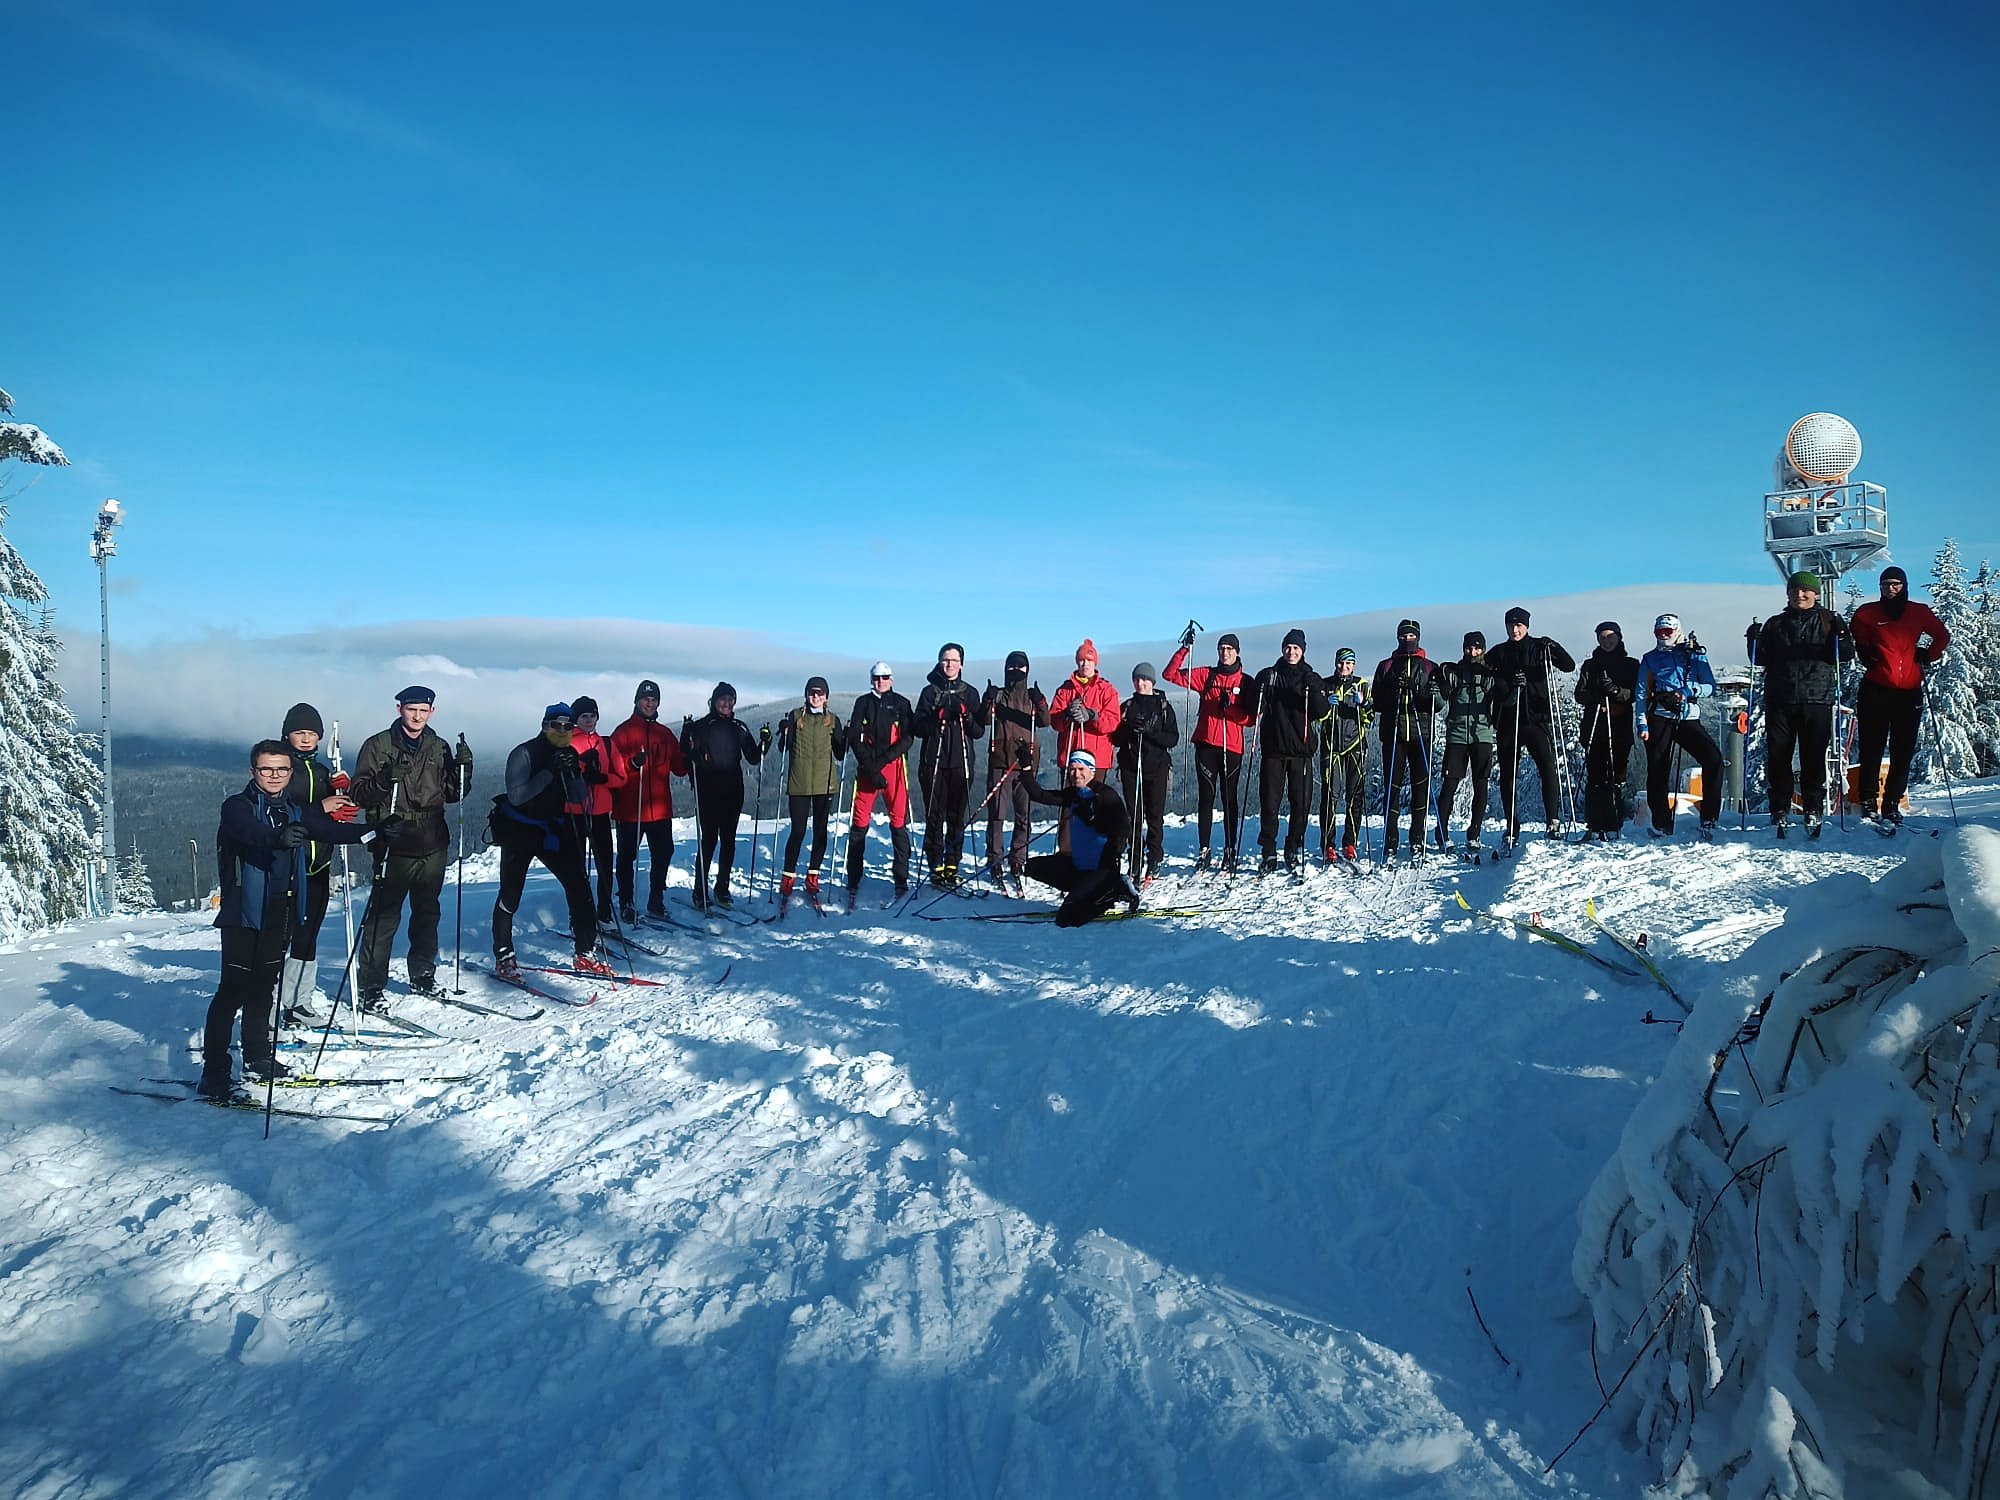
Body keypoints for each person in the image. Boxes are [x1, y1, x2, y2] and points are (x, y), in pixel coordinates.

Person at [203, 741, 390, 1097]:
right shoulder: (237, 807)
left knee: (263, 988)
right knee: (233, 990)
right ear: (253, 772)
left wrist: (375, 831)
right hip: (243, 913)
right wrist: (278, 837)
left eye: (281, 769)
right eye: (266, 769)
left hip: (279, 910)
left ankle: (258, 1056)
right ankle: (214, 1072)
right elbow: (250, 832)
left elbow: (331, 831)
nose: (274, 776)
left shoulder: (292, 809)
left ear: (290, 773)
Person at [351, 686, 473, 1005]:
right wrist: (385, 779)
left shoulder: (438, 746)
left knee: (427, 913)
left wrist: (464, 769)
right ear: (400, 709)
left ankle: (422, 975)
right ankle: (371, 986)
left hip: (432, 839)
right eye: (411, 709)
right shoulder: (378, 746)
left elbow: (453, 794)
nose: (417, 716)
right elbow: (359, 794)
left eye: (423, 710)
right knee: (384, 916)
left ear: (432, 711)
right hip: (394, 840)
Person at [490, 704, 616, 981]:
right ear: (545, 725)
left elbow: (579, 797)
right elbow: (517, 797)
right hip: (520, 831)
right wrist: (549, 771)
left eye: (568, 726)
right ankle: (504, 956)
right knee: (510, 894)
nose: (562, 731)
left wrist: (578, 772)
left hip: (554, 829)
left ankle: (585, 953)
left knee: (580, 888)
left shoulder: (568, 753)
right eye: (556, 725)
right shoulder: (524, 753)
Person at [1748, 571, 1853, 839]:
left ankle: (1813, 808)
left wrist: (1842, 637)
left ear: (1816, 593)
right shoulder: (1776, 623)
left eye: (1805, 590)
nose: (1800, 595)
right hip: (1780, 698)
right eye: (1795, 590)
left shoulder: (1828, 620)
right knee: (1778, 756)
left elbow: (1845, 656)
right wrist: (1753, 640)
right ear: (1788, 594)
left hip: (1816, 698)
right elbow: (1760, 659)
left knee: (1813, 757)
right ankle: (1779, 808)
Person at [275, 702, 360, 1025]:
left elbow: (333, 813)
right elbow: (283, 812)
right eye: (300, 732)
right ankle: (268, 1005)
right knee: (280, 938)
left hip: (318, 865)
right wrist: (322, 806)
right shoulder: (281, 769)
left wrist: (344, 796)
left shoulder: (323, 771)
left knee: (308, 935)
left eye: (312, 733)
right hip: (287, 866)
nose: (306, 738)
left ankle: (299, 1003)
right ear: (287, 734)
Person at [1849, 565, 1952, 831]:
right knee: (1871, 748)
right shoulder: (1868, 612)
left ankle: (1892, 803)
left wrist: (1928, 655)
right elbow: (1856, 635)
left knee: (1902, 750)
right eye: (1885, 584)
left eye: (1895, 584)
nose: (1890, 589)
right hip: (1875, 688)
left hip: (1908, 691)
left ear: (1904, 586)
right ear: (1880, 587)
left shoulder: (1918, 612)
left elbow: (1942, 636)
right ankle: (1868, 801)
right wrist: (1865, 652)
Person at [1163, 628, 1256, 870]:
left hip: (1231, 747)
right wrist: (1184, 649)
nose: (1225, 653)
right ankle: (1204, 850)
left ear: (1237, 652)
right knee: (1206, 797)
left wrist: (1230, 710)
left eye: (1229, 649)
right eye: (1221, 649)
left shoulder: (1245, 682)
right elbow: (1170, 674)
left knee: (1229, 799)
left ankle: (1230, 849)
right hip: (1206, 744)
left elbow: (1252, 719)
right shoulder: (1206, 675)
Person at [1483, 607, 1577, 844]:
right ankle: (1511, 825)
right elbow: (1482, 672)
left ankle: (1553, 821)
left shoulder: (1539, 648)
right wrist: (1506, 685)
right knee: (1508, 775)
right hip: (1508, 721)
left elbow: (1568, 665)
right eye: (1511, 625)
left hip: (1536, 719)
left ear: (1527, 626)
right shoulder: (1499, 652)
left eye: (1519, 625)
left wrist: (1554, 646)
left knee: (1547, 768)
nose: (1515, 630)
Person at [1022, 748, 1141, 926]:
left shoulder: (1105, 795)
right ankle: (1084, 891)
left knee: (1066, 919)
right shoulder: (1074, 794)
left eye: (1081, 769)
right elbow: (1039, 795)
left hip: (1101, 870)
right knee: (1032, 867)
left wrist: (1094, 820)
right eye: (1072, 769)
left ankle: (1113, 890)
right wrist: (1025, 768)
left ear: (1092, 771)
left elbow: (1123, 830)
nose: (1076, 774)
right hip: (1079, 867)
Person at [1634, 615, 1724, 840]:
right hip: (1660, 717)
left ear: (1677, 630)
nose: (1664, 636)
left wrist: (1689, 691)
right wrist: (1642, 723)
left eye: (1668, 631)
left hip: (1687, 717)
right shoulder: (1650, 659)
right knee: (1658, 769)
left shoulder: (1694, 655)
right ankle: (1661, 822)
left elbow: (1710, 686)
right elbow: (1641, 693)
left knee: (1713, 759)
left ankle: (1709, 817)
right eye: (1659, 632)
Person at [609, 679, 689, 923]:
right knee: (627, 856)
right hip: (630, 809)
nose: (650, 703)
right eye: (646, 699)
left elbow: (679, 768)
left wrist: (690, 753)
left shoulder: (664, 734)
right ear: (637, 701)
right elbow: (611, 770)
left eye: (654, 699)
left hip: (659, 809)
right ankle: (626, 901)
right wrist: (632, 764)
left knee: (663, 853)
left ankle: (656, 899)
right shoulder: (623, 733)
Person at [681, 682, 766, 907]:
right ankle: (700, 891)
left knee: (728, 841)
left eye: (731, 700)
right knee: (708, 841)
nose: (727, 703)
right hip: (708, 792)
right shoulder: (701, 726)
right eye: (722, 699)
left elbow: (753, 757)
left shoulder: (739, 727)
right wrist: (686, 733)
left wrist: (764, 741)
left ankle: (722, 888)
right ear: (714, 701)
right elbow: (685, 754)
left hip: (733, 791)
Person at [911, 642, 988, 888]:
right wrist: (936, 717)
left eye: (954, 660)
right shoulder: (929, 693)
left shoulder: (970, 693)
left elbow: (978, 732)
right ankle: (935, 865)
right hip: (933, 763)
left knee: (956, 817)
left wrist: (967, 716)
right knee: (934, 817)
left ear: (961, 664)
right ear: (939, 662)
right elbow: (917, 728)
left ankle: (952, 864)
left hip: (961, 764)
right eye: (945, 660)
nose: (949, 664)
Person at [1253, 629, 1326, 873]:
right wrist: (1259, 687)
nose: (1291, 652)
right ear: (1282, 648)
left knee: (1301, 805)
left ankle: (1293, 847)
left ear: (1302, 651)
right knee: (1269, 805)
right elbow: (1254, 708)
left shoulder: (1310, 677)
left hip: (1301, 751)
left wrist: (1314, 690)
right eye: (1288, 647)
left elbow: (1321, 711)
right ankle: (1268, 851)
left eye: (1296, 648)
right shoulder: (1270, 675)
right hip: (1273, 751)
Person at [775, 675, 848, 912]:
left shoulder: (832, 720)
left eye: (820, 693)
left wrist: (846, 737)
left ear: (826, 696)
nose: (816, 697)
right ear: (806, 694)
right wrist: (784, 731)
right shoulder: (796, 716)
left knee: (820, 832)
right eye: (812, 692)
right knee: (797, 831)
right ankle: (788, 878)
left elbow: (840, 753)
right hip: (799, 784)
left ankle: (813, 876)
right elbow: (783, 748)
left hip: (824, 784)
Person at [845, 661, 916, 903]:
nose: (880, 682)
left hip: (894, 766)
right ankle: (853, 879)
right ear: (871, 679)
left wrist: (883, 760)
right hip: (867, 768)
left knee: (898, 823)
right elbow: (854, 736)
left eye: (885, 677)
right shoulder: (863, 703)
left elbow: (908, 738)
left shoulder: (901, 703)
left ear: (891, 679)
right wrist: (869, 766)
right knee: (859, 822)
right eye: (876, 678)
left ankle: (901, 880)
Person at [980, 651, 1049, 892]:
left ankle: (1018, 859)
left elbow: (1045, 721)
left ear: (1027, 670)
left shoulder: (1031, 697)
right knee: (997, 813)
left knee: (1024, 813)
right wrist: (987, 700)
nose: (1016, 670)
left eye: (1021, 666)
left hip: (1026, 761)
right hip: (1001, 759)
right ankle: (995, 859)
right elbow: (984, 721)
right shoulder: (998, 695)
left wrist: (1041, 701)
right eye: (1012, 666)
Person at [1370, 620, 1439, 859]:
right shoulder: (1386, 666)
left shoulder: (1430, 667)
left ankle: (1417, 838)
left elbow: (1437, 704)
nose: (1407, 639)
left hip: (1421, 733)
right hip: (1394, 734)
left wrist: (1420, 691)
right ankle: (1390, 839)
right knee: (1392, 788)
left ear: (1418, 637)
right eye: (1403, 636)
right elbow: (1376, 702)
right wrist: (1393, 692)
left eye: (1411, 635)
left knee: (1421, 787)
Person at [1048, 640, 1122, 855]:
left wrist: (1092, 715)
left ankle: (1093, 850)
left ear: (1095, 663)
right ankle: (1066, 852)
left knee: (1095, 805)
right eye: (1082, 660)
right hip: (1071, 756)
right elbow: (1055, 722)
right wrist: (1066, 715)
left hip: (1096, 759)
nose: (1085, 664)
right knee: (1069, 805)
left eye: (1089, 660)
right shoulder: (1065, 690)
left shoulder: (1106, 690)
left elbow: (1112, 722)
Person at [1110, 662, 1179, 881]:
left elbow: (1173, 738)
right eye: (1137, 679)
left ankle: (1154, 859)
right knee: (1134, 817)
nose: (1141, 683)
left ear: (1152, 682)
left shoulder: (1163, 707)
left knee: (1155, 816)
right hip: (1131, 768)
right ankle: (1135, 858)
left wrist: (1150, 733)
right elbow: (1115, 738)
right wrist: (1129, 729)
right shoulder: (1127, 706)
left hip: (1157, 768)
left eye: (1145, 679)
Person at [562, 696, 627, 924]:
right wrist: (581, 768)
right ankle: (578, 915)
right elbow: (562, 776)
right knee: (576, 867)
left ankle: (604, 911)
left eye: (592, 715)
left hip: (600, 813)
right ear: (576, 719)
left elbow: (622, 778)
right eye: (584, 716)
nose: (589, 720)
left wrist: (602, 778)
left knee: (605, 865)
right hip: (574, 812)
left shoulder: (606, 744)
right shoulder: (567, 742)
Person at [1433, 632, 1498, 858]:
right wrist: (1437, 691)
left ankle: (1474, 833)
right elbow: (1440, 701)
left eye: (1477, 648)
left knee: (1481, 784)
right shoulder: (1454, 673)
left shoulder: (1490, 674)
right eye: (1469, 648)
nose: (1473, 652)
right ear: (1463, 649)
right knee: (1450, 784)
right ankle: (1441, 832)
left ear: (1483, 650)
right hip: (1457, 734)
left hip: (1482, 734)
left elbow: (1501, 699)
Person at [1574, 622, 1639, 840]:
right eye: (1602, 637)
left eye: (1610, 636)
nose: (1606, 641)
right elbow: (1580, 694)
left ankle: (1614, 823)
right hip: (1594, 727)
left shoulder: (1631, 664)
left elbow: (1635, 694)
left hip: (1619, 727)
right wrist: (1597, 696)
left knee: (1616, 776)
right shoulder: (1590, 665)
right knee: (1595, 777)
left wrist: (1616, 691)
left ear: (1619, 637)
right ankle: (1594, 824)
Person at [1316, 648, 1370, 861]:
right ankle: (1328, 844)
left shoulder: (1362, 684)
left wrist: (1363, 703)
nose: (1344, 667)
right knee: (1330, 795)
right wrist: (1325, 706)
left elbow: (1370, 716)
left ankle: (1350, 843)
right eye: (1341, 663)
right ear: (1335, 663)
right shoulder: (1325, 684)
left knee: (1355, 795)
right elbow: (1316, 716)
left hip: (1355, 744)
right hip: (1331, 746)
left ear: (1354, 665)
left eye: (1348, 663)